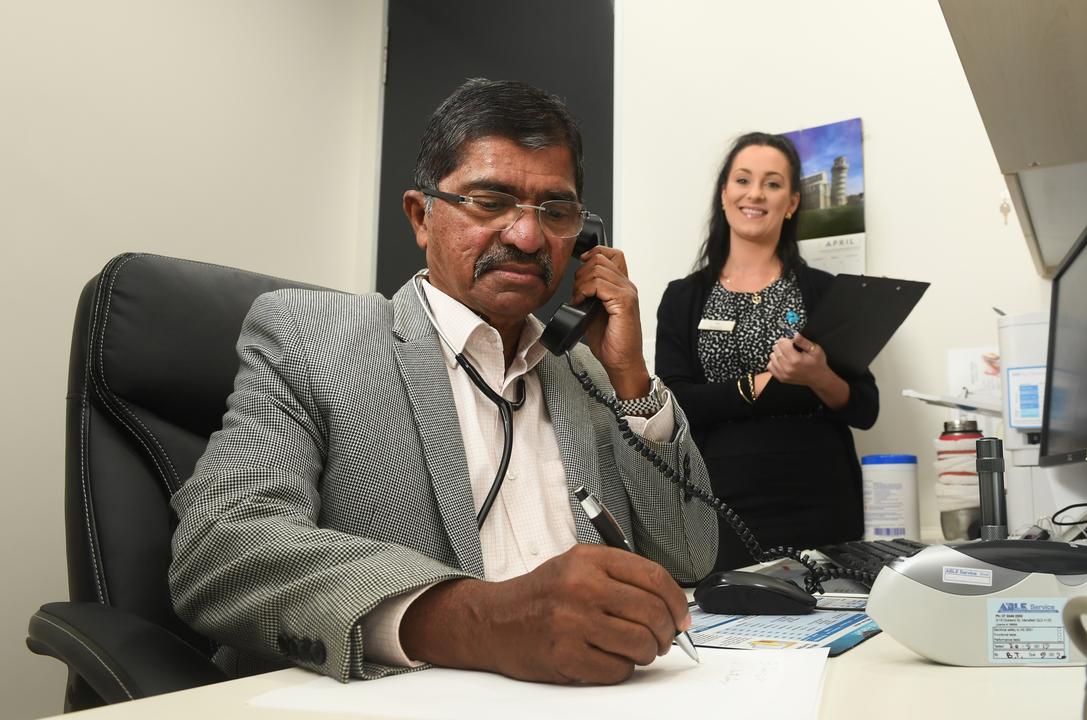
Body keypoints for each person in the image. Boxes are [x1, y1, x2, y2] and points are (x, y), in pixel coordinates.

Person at [169, 79, 717, 686]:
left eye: (555, 212)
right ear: (420, 216)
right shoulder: (308, 335)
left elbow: (690, 553)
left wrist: (633, 380)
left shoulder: (586, 373)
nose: (528, 237)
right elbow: (220, 547)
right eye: (490, 202)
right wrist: (484, 621)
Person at [655, 132, 878, 572]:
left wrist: (819, 378)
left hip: (821, 501)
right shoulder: (683, 297)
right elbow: (675, 404)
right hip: (719, 507)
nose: (755, 193)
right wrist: (762, 385)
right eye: (743, 180)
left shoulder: (824, 291)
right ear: (724, 195)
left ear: (792, 202)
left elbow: (865, 407)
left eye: (772, 184)